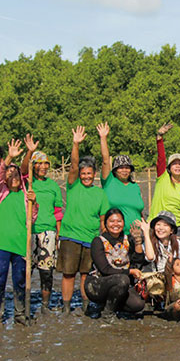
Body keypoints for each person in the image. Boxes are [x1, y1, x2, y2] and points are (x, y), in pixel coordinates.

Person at [57, 126, 111, 316]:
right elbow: (73, 165)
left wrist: (103, 241)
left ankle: (86, 305)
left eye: (90, 173)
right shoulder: (73, 186)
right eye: (84, 173)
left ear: (94, 174)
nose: (87, 176)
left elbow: (103, 219)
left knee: (86, 275)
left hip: (90, 238)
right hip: (70, 236)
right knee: (68, 273)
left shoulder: (100, 193)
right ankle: (66, 307)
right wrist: (76, 144)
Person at [0, 157, 34, 326]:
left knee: (19, 279)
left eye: (16, 175)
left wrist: (34, 203)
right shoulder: (0, 191)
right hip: (0, 243)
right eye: (9, 175)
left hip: (20, 244)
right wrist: (9, 159)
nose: (13, 178)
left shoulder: (26, 196)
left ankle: (20, 312)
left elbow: (32, 218)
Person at [20, 134, 63, 314]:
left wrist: (59, 233)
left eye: (46, 164)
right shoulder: (27, 182)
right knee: (25, 270)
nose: (43, 167)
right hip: (29, 230)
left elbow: (58, 211)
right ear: (33, 165)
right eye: (39, 163)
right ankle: (23, 304)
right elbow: (22, 169)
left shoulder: (53, 186)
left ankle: (45, 305)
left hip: (48, 231)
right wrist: (30, 152)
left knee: (46, 271)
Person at [85, 208, 148, 323]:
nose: (115, 224)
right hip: (97, 284)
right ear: (105, 224)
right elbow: (105, 269)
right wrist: (129, 272)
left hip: (120, 284)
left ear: (123, 223)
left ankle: (111, 306)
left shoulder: (128, 239)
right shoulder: (98, 241)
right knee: (123, 280)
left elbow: (138, 263)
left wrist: (138, 242)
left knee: (138, 304)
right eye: (111, 221)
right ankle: (107, 313)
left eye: (119, 221)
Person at [150, 123, 180, 249]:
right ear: (169, 168)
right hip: (156, 225)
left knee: (173, 260)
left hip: (175, 228)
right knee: (155, 258)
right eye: (174, 164)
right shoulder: (163, 177)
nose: (178, 166)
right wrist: (159, 138)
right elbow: (161, 158)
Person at [96, 122, 145, 232]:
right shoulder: (109, 182)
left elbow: (138, 212)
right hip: (116, 235)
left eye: (127, 167)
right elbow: (105, 161)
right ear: (115, 170)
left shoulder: (135, 187)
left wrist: (145, 229)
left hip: (136, 235)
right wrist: (103, 138)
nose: (124, 170)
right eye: (121, 167)